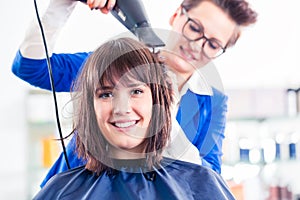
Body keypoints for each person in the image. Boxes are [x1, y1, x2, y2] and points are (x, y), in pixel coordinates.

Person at [11, 0, 257, 186]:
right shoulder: (117, 61)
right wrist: (64, 3)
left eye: (213, 44)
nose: (197, 46)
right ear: (176, 16)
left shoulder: (212, 102)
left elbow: (209, 180)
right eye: (194, 28)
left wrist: (167, 120)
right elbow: (32, 68)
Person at [33, 37, 235, 200]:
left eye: (136, 91)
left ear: (158, 101)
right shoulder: (60, 191)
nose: (122, 109)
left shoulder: (201, 184)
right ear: (89, 108)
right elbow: (28, 66)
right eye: (106, 94)